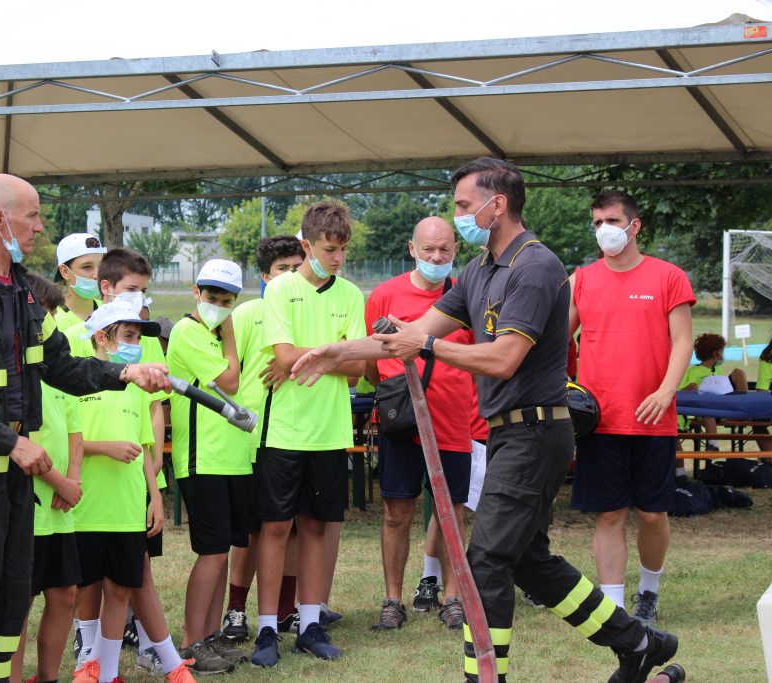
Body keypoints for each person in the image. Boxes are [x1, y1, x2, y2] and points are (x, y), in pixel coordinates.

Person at [291, 158, 678, 683]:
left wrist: (426, 345)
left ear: (497, 206)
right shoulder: (478, 271)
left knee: (485, 561)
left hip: (537, 431)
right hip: (509, 433)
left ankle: (484, 676)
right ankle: (638, 642)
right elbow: (409, 332)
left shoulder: (535, 266)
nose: (459, 217)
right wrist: (333, 352)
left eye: (464, 206)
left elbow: (502, 358)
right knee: (527, 561)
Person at [0, 173, 169, 683]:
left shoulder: (25, 295)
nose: (40, 226)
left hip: (14, 485)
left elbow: (66, 366)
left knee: (10, 603)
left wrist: (125, 372)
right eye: (32, 215)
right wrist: (13, 443)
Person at [570, 191, 695, 629]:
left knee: (652, 513)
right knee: (608, 513)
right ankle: (614, 608)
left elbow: (683, 341)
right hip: (599, 419)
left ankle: (649, 591)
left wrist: (666, 391)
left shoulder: (669, 276)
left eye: (612, 219)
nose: (604, 228)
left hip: (652, 418)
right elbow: (557, 341)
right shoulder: (581, 279)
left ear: (634, 225)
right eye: (597, 220)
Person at [250, 200, 366, 667]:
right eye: (329, 248)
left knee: (317, 526)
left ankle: (310, 623)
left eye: (342, 250)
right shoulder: (279, 291)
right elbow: (281, 356)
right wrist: (334, 352)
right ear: (307, 245)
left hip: (328, 431)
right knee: (275, 528)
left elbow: (359, 368)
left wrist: (321, 356)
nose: (337, 258)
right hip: (282, 431)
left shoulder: (352, 295)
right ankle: (265, 630)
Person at [67, 301, 195, 683]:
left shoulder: (137, 389)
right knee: (87, 587)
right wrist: (102, 447)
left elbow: (143, 451)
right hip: (86, 504)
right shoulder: (77, 382)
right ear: (101, 338)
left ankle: (105, 673)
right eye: (128, 336)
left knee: (121, 589)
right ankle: (85, 666)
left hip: (126, 507)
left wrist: (155, 496)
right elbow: (67, 441)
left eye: (138, 337)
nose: (135, 344)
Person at [364, 217, 474, 633]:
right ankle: (392, 600)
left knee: (451, 513)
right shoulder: (384, 294)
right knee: (396, 511)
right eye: (428, 249)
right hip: (401, 426)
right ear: (412, 249)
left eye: (444, 250)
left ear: (455, 251)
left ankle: (452, 598)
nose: (436, 257)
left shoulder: (466, 294)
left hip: (452, 422)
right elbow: (372, 363)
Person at [166, 259, 252, 674]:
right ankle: (190, 641)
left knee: (224, 555)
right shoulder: (188, 331)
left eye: (226, 299)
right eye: (211, 296)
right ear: (196, 293)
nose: (217, 304)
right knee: (212, 554)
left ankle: (211, 636)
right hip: (203, 461)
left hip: (232, 459)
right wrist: (231, 332)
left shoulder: (214, 331)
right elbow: (230, 381)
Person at [223, 236, 304, 644]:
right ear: (265, 276)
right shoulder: (247, 313)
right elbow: (227, 373)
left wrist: (291, 364)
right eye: (281, 270)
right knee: (256, 531)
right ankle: (236, 609)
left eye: (296, 268)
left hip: (296, 434)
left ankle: (287, 608)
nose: (290, 277)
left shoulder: (307, 312)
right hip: (253, 439)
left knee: (290, 529)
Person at [9, 273, 84, 683]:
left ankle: (49, 677)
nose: (52, 323)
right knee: (19, 601)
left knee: (65, 594)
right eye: (46, 314)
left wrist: (72, 477)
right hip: (29, 504)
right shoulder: (14, 371)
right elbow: (22, 445)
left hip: (61, 506)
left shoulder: (57, 365)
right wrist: (60, 483)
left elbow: (75, 427)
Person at [677, 333, 746, 452]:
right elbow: (680, 393)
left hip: (722, 407)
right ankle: (712, 444)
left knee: (738, 372)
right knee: (708, 413)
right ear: (716, 354)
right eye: (722, 351)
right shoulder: (693, 372)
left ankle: (742, 406)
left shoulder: (718, 370)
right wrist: (688, 389)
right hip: (705, 410)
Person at [53, 232, 107, 332]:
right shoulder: (52, 321)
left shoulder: (111, 313)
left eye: (101, 266)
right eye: (87, 267)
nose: (97, 274)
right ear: (65, 271)